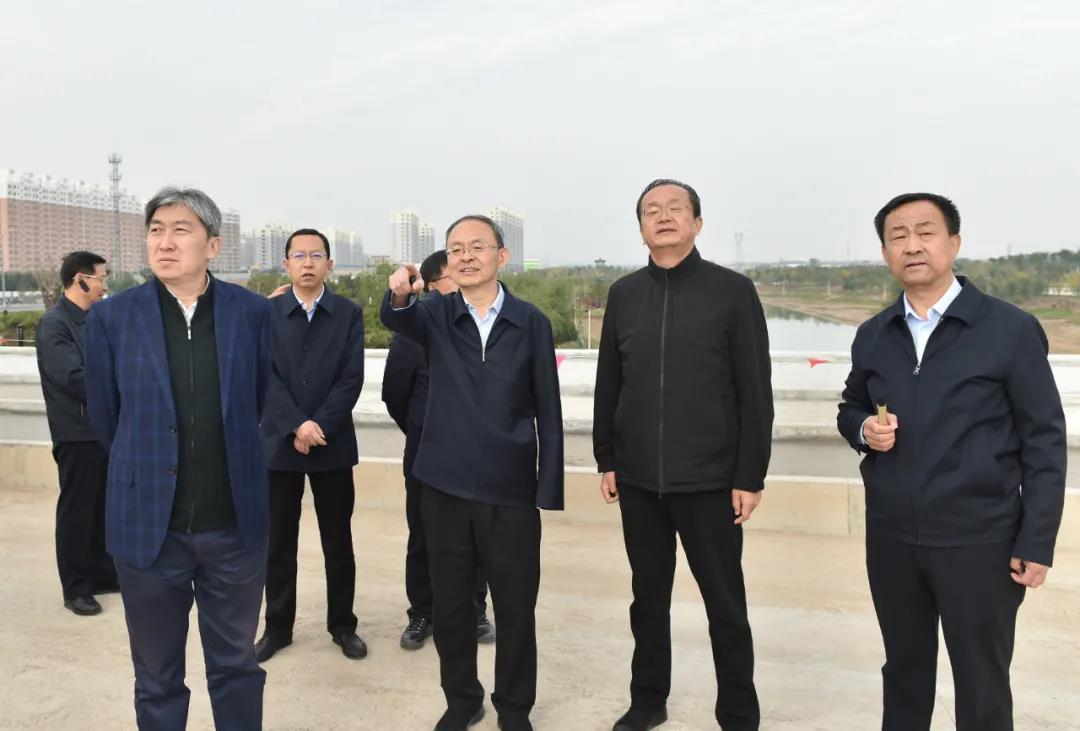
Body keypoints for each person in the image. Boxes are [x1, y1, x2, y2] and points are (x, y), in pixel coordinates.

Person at [837, 193, 1066, 731]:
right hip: (893, 538)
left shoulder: (1009, 329)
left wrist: (1037, 540)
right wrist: (865, 429)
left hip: (980, 540)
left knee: (982, 683)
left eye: (926, 232)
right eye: (898, 236)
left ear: (954, 243)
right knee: (904, 673)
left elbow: (1044, 440)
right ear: (885, 253)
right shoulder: (873, 334)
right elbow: (851, 407)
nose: (912, 245)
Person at [85, 187, 273, 729]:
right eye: (155, 230)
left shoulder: (252, 314)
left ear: (212, 245)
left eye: (180, 230)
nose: (164, 242)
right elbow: (106, 416)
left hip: (233, 530)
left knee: (236, 665)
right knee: (156, 676)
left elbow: (261, 400)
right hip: (149, 531)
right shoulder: (113, 318)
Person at [593, 179, 773, 731]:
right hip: (639, 481)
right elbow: (610, 382)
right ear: (641, 228)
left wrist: (750, 474)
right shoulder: (625, 294)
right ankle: (648, 700)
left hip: (711, 482)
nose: (664, 216)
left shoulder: (732, 291)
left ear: (697, 223)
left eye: (676, 208)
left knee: (725, 606)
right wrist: (607, 457)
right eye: (652, 210)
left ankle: (738, 712)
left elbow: (754, 389)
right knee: (647, 600)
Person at [381, 215, 564, 731]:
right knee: (452, 607)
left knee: (515, 607)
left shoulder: (530, 322)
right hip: (444, 486)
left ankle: (514, 709)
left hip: (511, 490)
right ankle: (462, 702)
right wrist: (400, 293)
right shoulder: (435, 314)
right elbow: (397, 317)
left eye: (477, 246)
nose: (466, 256)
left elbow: (548, 408)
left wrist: (547, 486)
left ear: (501, 256)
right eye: (456, 248)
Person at [254, 228, 367, 662]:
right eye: (298, 255)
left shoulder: (348, 313)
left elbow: (350, 378)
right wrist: (295, 426)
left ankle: (343, 626)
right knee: (278, 544)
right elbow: (264, 377)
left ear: (329, 265)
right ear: (286, 264)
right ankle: (277, 627)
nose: (307, 263)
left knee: (338, 542)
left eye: (316, 255)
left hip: (331, 443)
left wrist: (318, 425)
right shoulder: (267, 314)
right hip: (279, 445)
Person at [382, 249, 496, 651]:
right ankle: (422, 612)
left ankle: (475, 609)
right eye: (454, 277)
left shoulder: (483, 326)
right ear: (431, 286)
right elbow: (395, 394)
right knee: (423, 535)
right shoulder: (414, 331)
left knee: (477, 535)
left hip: (475, 455)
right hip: (424, 455)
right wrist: (423, 431)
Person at [35, 250, 117, 616]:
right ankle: (76, 588)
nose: (104, 285)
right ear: (80, 279)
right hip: (76, 431)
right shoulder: (54, 324)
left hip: (103, 429)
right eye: (101, 278)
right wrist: (119, 385)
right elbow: (72, 377)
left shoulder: (95, 319)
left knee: (102, 507)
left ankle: (101, 575)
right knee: (78, 511)